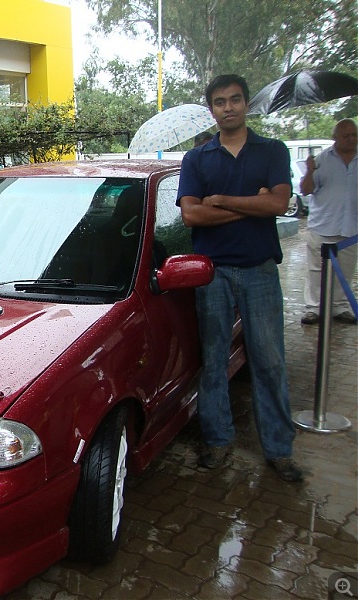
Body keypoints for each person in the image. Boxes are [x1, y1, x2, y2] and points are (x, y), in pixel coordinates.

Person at [177, 74, 303, 482]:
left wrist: (224, 200)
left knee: (269, 361)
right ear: (211, 109)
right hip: (211, 273)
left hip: (259, 270)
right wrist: (256, 204)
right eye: (219, 101)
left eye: (234, 100)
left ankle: (279, 451)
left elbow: (280, 203)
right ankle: (217, 441)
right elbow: (192, 214)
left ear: (247, 104)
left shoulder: (272, 150)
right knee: (214, 361)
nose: (228, 107)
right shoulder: (197, 159)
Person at [299, 118, 358, 326]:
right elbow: (306, 190)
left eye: (354, 134)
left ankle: (340, 306)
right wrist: (309, 170)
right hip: (323, 225)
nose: (351, 139)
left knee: (346, 269)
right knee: (317, 269)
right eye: (346, 135)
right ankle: (313, 308)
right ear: (335, 138)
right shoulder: (322, 159)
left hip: (351, 227)